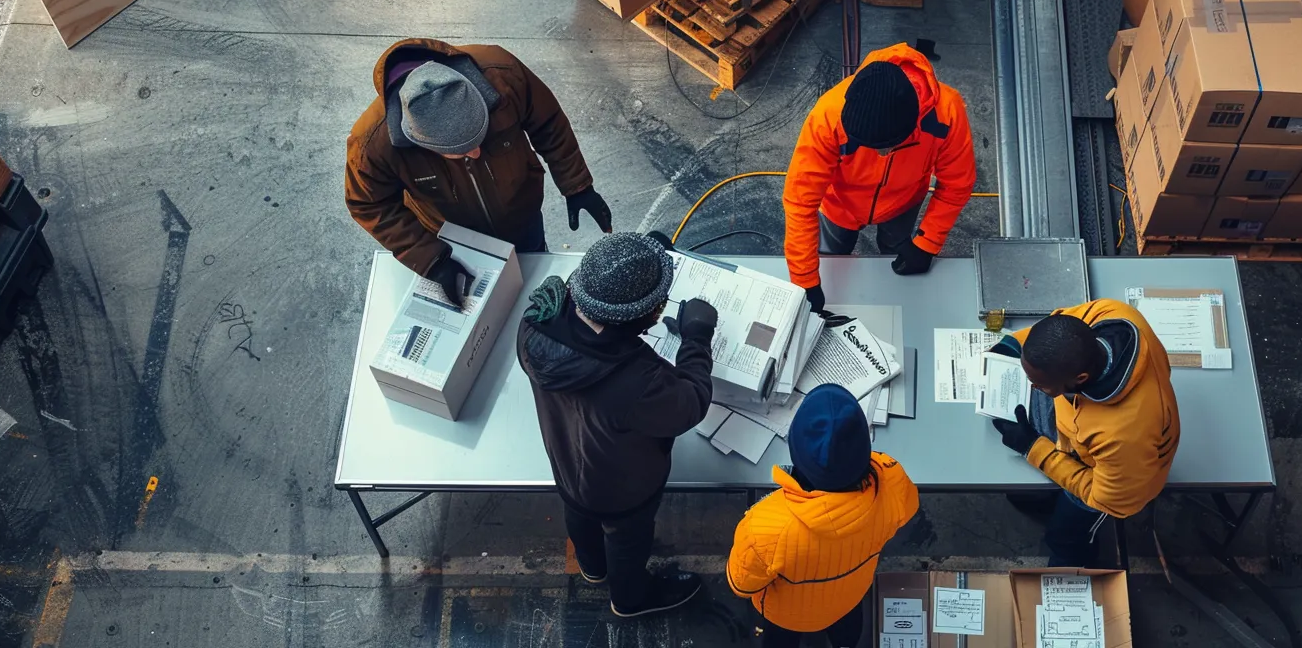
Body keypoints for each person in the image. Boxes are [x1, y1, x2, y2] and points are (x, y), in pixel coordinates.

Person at [517, 233, 714, 617]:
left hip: (567, 466)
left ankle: (592, 568)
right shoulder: (638, 379)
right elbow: (690, 404)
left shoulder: (536, 320)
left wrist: (641, 261)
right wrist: (697, 339)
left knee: (579, 516)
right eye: (658, 304)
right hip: (625, 490)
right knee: (628, 542)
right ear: (639, 318)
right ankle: (630, 599)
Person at [347, 38, 613, 305]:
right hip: (454, 242)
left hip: (522, 217)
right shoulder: (372, 144)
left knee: (534, 285)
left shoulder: (502, 74)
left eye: (480, 137)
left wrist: (577, 185)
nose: (475, 153)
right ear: (422, 143)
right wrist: (431, 259)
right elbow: (369, 205)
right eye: (462, 151)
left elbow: (548, 122)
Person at [781, 42, 977, 312]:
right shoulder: (828, 115)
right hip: (840, 207)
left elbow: (957, 184)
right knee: (833, 257)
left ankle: (895, 248)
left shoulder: (948, 112)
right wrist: (805, 282)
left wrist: (927, 242)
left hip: (903, 204)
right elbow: (800, 201)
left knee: (896, 254)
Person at [986, 299, 1180, 567]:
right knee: (1029, 494)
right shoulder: (1113, 313)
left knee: (1066, 536)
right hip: (1076, 432)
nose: (1031, 387)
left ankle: (1075, 561)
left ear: (1080, 380)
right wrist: (1012, 346)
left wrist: (1034, 448)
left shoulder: (1123, 435)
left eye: (1039, 384)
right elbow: (1055, 328)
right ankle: (1043, 499)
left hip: (1113, 477)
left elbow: (1108, 500)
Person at [728, 384, 920, 647]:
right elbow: (907, 509)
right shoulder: (893, 482)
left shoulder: (764, 526)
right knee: (848, 632)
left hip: (786, 616)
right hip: (848, 598)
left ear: (795, 451)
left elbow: (741, 585)